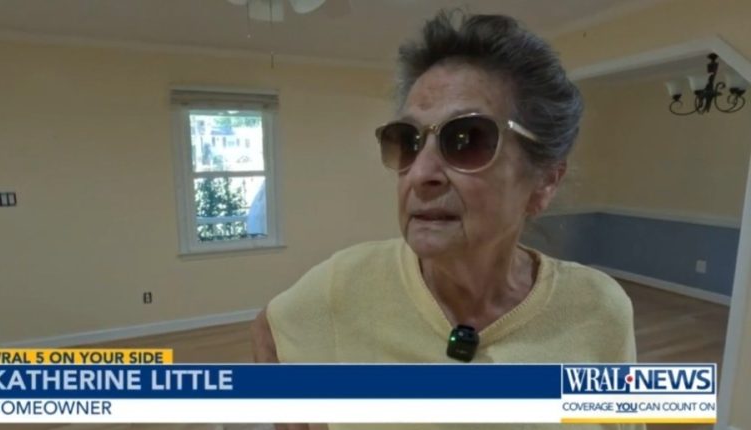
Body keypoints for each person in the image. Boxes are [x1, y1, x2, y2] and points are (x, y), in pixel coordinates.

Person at [253, 10, 640, 430]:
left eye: (468, 139)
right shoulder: (342, 284)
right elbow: (269, 331)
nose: (420, 174)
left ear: (544, 180)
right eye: (407, 141)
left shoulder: (599, 310)